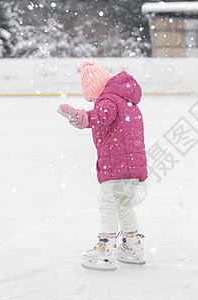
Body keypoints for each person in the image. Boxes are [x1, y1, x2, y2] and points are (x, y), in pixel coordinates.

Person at [57, 61, 148, 271]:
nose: (92, 102)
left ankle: (106, 249)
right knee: (123, 204)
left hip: (116, 164)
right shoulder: (126, 100)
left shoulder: (107, 100)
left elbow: (99, 116)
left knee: (107, 203)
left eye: (91, 98)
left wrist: (78, 116)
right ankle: (133, 247)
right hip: (132, 165)